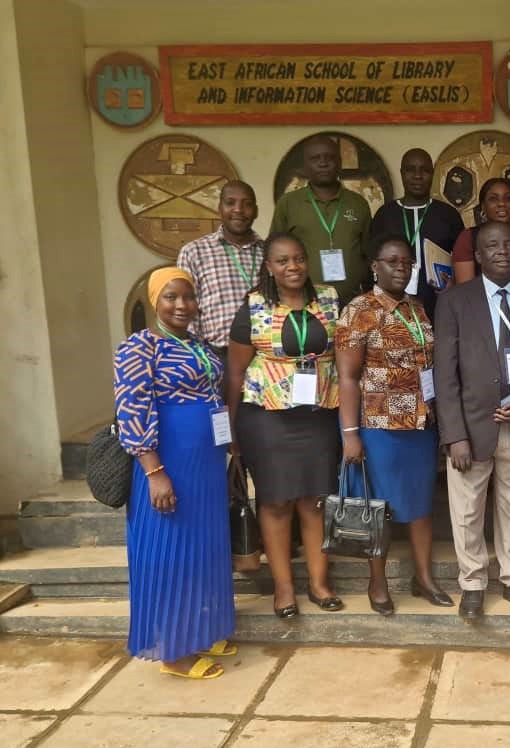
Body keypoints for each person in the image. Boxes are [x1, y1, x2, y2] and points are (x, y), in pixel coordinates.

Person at [113, 267, 235, 680]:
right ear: (154, 301)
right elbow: (132, 411)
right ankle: (173, 651)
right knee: (171, 550)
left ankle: (199, 629)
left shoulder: (197, 344)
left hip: (206, 460)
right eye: (171, 297)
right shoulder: (139, 348)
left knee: (203, 546)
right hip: (169, 461)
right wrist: (154, 471)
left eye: (188, 297)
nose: (181, 305)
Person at [435, 221, 510, 620]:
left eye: (509, 244)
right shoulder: (456, 301)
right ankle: (472, 584)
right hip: (471, 427)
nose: (502, 250)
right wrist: (454, 435)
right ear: (479, 255)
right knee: (467, 510)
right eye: (492, 245)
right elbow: (444, 373)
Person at [335, 233, 452, 616]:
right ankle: (378, 582)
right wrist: (350, 434)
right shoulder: (359, 310)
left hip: (420, 424)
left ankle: (424, 577)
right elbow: (348, 377)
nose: (401, 268)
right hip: (379, 425)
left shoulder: (417, 308)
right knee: (379, 508)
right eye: (392, 261)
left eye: (407, 262)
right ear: (374, 265)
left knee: (420, 505)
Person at [226, 233, 342, 619]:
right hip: (266, 418)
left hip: (319, 415)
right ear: (270, 267)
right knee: (276, 502)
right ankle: (284, 588)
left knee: (315, 502)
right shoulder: (254, 306)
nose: (292, 267)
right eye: (282, 261)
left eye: (298, 258)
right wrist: (232, 432)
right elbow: (236, 372)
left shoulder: (329, 299)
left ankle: (319, 583)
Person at [270, 134, 373, 303]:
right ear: (305, 166)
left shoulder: (358, 203)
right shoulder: (288, 203)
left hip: (352, 302)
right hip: (304, 303)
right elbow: (275, 252)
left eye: (330, 157)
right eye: (315, 158)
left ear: (339, 162)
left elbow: (368, 254)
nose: (323, 163)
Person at [177, 180, 265, 366]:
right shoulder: (194, 252)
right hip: (217, 357)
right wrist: (200, 359)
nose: (238, 210)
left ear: (256, 211)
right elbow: (188, 310)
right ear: (219, 208)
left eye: (246, 204)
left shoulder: (269, 252)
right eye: (230, 203)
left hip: (265, 358)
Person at [371, 148, 465, 319]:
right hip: (392, 303)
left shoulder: (447, 214)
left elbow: (462, 259)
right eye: (410, 170)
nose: (418, 176)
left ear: (433, 174)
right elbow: (372, 260)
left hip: (439, 302)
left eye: (425, 170)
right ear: (401, 173)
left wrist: (454, 284)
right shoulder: (385, 214)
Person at [452, 178, 510, 284]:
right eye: (493, 199)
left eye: (508, 198)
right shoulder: (469, 238)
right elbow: (465, 291)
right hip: (478, 300)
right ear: (483, 206)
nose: (501, 204)